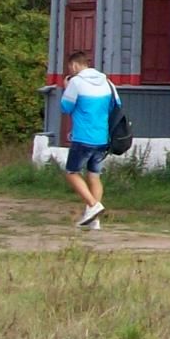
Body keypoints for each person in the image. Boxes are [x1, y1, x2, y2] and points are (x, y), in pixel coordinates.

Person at [56, 49, 115, 228]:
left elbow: (65, 107)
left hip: (83, 136)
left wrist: (67, 88)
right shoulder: (106, 81)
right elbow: (115, 105)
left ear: (74, 65)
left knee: (72, 172)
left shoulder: (76, 83)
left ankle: (93, 205)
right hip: (102, 136)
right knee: (94, 176)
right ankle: (93, 221)